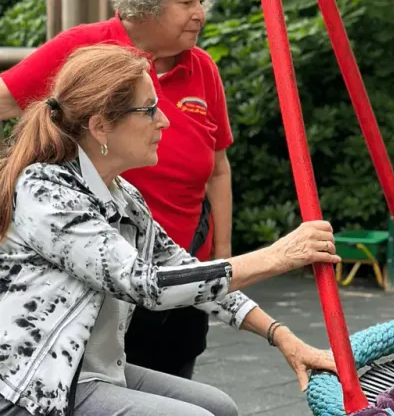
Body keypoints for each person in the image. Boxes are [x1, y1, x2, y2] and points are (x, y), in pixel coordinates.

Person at [0, 44, 340, 416]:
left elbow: (185, 271)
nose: (163, 120)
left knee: (219, 408)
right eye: (149, 110)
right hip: (34, 385)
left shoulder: (122, 195)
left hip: (90, 371)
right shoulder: (46, 193)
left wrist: (283, 337)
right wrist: (279, 256)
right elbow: (147, 284)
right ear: (101, 127)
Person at [1, 0, 244, 378]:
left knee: (177, 385)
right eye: (186, 2)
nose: (200, 13)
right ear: (147, 3)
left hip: (180, 269)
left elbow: (218, 170)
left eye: (202, 0)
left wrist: (222, 258)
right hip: (104, 282)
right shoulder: (84, 50)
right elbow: (6, 101)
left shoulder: (202, 69)